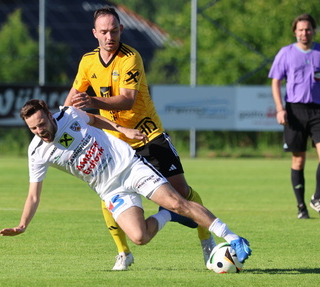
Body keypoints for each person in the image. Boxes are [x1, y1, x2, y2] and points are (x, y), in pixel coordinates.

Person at [0, 99, 252, 270]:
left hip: (130, 167)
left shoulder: (70, 114)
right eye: (33, 128)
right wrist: (22, 225)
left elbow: (96, 121)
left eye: (42, 124)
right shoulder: (37, 152)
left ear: (50, 115)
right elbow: (33, 196)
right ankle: (168, 216)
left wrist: (124, 130)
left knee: (179, 201)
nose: (40, 130)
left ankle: (231, 236)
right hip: (110, 189)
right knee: (140, 237)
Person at [64, 6, 215, 270]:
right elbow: (72, 102)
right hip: (114, 142)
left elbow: (127, 99)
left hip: (148, 134)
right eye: (104, 31)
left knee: (181, 192)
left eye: (113, 30)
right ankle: (123, 252)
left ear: (121, 29)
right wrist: (62, 122)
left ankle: (206, 240)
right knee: (107, 195)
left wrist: (91, 101)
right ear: (94, 34)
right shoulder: (87, 61)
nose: (109, 36)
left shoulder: (130, 57)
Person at [269, 13, 320, 219]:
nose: (304, 33)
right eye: (301, 30)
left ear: (313, 31)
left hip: (317, 111)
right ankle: (301, 206)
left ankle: (317, 198)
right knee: (298, 160)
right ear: (295, 32)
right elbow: (276, 82)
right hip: (294, 111)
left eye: (308, 29)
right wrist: (280, 108)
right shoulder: (286, 53)